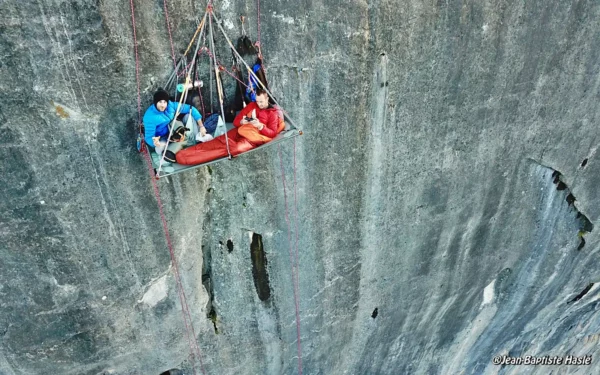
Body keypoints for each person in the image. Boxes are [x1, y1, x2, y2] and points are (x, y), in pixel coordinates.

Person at [142, 89, 207, 160]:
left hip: (175, 130)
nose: (163, 105)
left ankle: (195, 141)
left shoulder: (171, 105)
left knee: (189, 116)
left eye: (165, 102)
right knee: (159, 149)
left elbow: (191, 108)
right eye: (160, 102)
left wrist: (201, 126)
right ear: (155, 102)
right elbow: (148, 138)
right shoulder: (149, 117)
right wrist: (155, 142)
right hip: (163, 138)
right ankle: (180, 146)